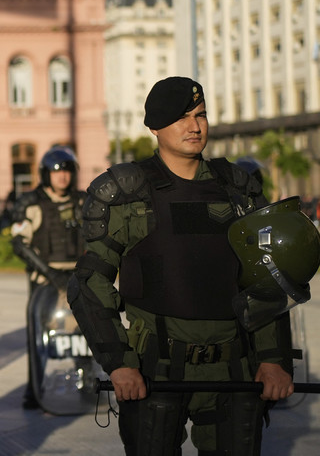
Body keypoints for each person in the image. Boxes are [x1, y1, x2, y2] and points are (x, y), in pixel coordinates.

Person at [68, 77, 296, 455]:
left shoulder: (238, 191)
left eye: (201, 114)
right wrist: (120, 364)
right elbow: (89, 283)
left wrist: (273, 360)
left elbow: (266, 281)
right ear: (155, 126)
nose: (195, 126)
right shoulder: (127, 194)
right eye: (181, 117)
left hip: (233, 370)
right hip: (155, 369)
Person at [9, 145, 87, 409]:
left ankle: (88, 383)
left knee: (86, 332)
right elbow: (20, 243)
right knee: (39, 334)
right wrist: (51, 274)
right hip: (44, 277)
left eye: (66, 171)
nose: (62, 176)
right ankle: (35, 388)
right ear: (45, 175)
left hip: (78, 276)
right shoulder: (30, 203)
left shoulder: (83, 200)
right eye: (56, 172)